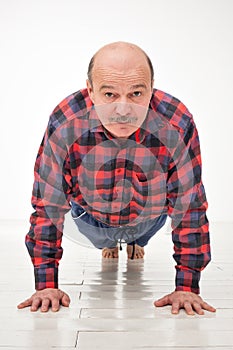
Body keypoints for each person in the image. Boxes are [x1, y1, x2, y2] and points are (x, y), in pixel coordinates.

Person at [17, 41, 216, 316]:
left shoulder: (176, 122)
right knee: (103, 237)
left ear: (151, 88)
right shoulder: (66, 121)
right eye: (110, 94)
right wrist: (46, 285)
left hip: (149, 215)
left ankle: (134, 241)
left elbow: (190, 206)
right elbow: (47, 204)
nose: (123, 109)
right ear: (90, 91)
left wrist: (187, 287)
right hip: (90, 215)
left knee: (143, 232)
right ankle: (110, 243)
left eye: (136, 93)